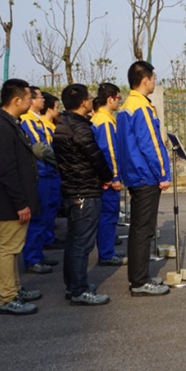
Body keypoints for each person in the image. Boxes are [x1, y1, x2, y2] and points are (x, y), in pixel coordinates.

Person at [52, 84, 113, 306]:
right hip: (84, 190)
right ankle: (78, 290)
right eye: (89, 98)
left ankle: (74, 285)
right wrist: (108, 176)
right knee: (82, 243)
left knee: (75, 240)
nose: (91, 101)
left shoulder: (64, 124)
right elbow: (95, 156)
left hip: (73, 188)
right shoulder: (79, 128)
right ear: (83, 103)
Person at [0, 79, 43, 316]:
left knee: (13, 248)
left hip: (16, 200)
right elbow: (7, 171)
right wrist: (20, 203)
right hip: (10, 202)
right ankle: (7, 297)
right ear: (16, 99)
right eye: (29, 96)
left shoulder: (9, 123)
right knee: (8, 249)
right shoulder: (1, 127)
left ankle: (15, 289)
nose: (32, 100)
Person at [118, 61, 172, 295]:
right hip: (145, 176)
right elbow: (151, 144)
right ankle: (139, 282)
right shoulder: (141, 107)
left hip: (134, 174)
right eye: (153, 77)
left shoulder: (125, 106)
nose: (154, 82)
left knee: (139, 229)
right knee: (143, 229)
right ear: (145, 79)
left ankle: (140, 276)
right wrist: (163, 173)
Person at [20, 86, 59, 274]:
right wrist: (61, 159)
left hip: (48, 173)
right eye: (39, 97)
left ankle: (39, 254)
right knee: (37, 218)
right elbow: (39, 149)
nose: (42, 101)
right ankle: (32, 258)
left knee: (44, 216)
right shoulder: (27, 121)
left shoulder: (38, 121)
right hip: (40, 173)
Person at [91, 83, 127, 266]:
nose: (119, 102)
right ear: (110, 98)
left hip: (102, 177)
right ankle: (106, 253)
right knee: (108, 215)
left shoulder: (102, 118)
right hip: (107, 179)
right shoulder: (104, 121)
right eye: (118, 98)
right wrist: (114, 177)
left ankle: (108, 250)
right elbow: (109, 152)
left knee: (107, 215)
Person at [39, 92, 64, 249]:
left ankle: (49, 236)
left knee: (52, 207)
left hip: (53, 173)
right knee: (46, 209)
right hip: (47, 172)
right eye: (56, 107)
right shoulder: (43, 126)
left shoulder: (51, 126)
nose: (58, 110)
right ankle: (46, 239)